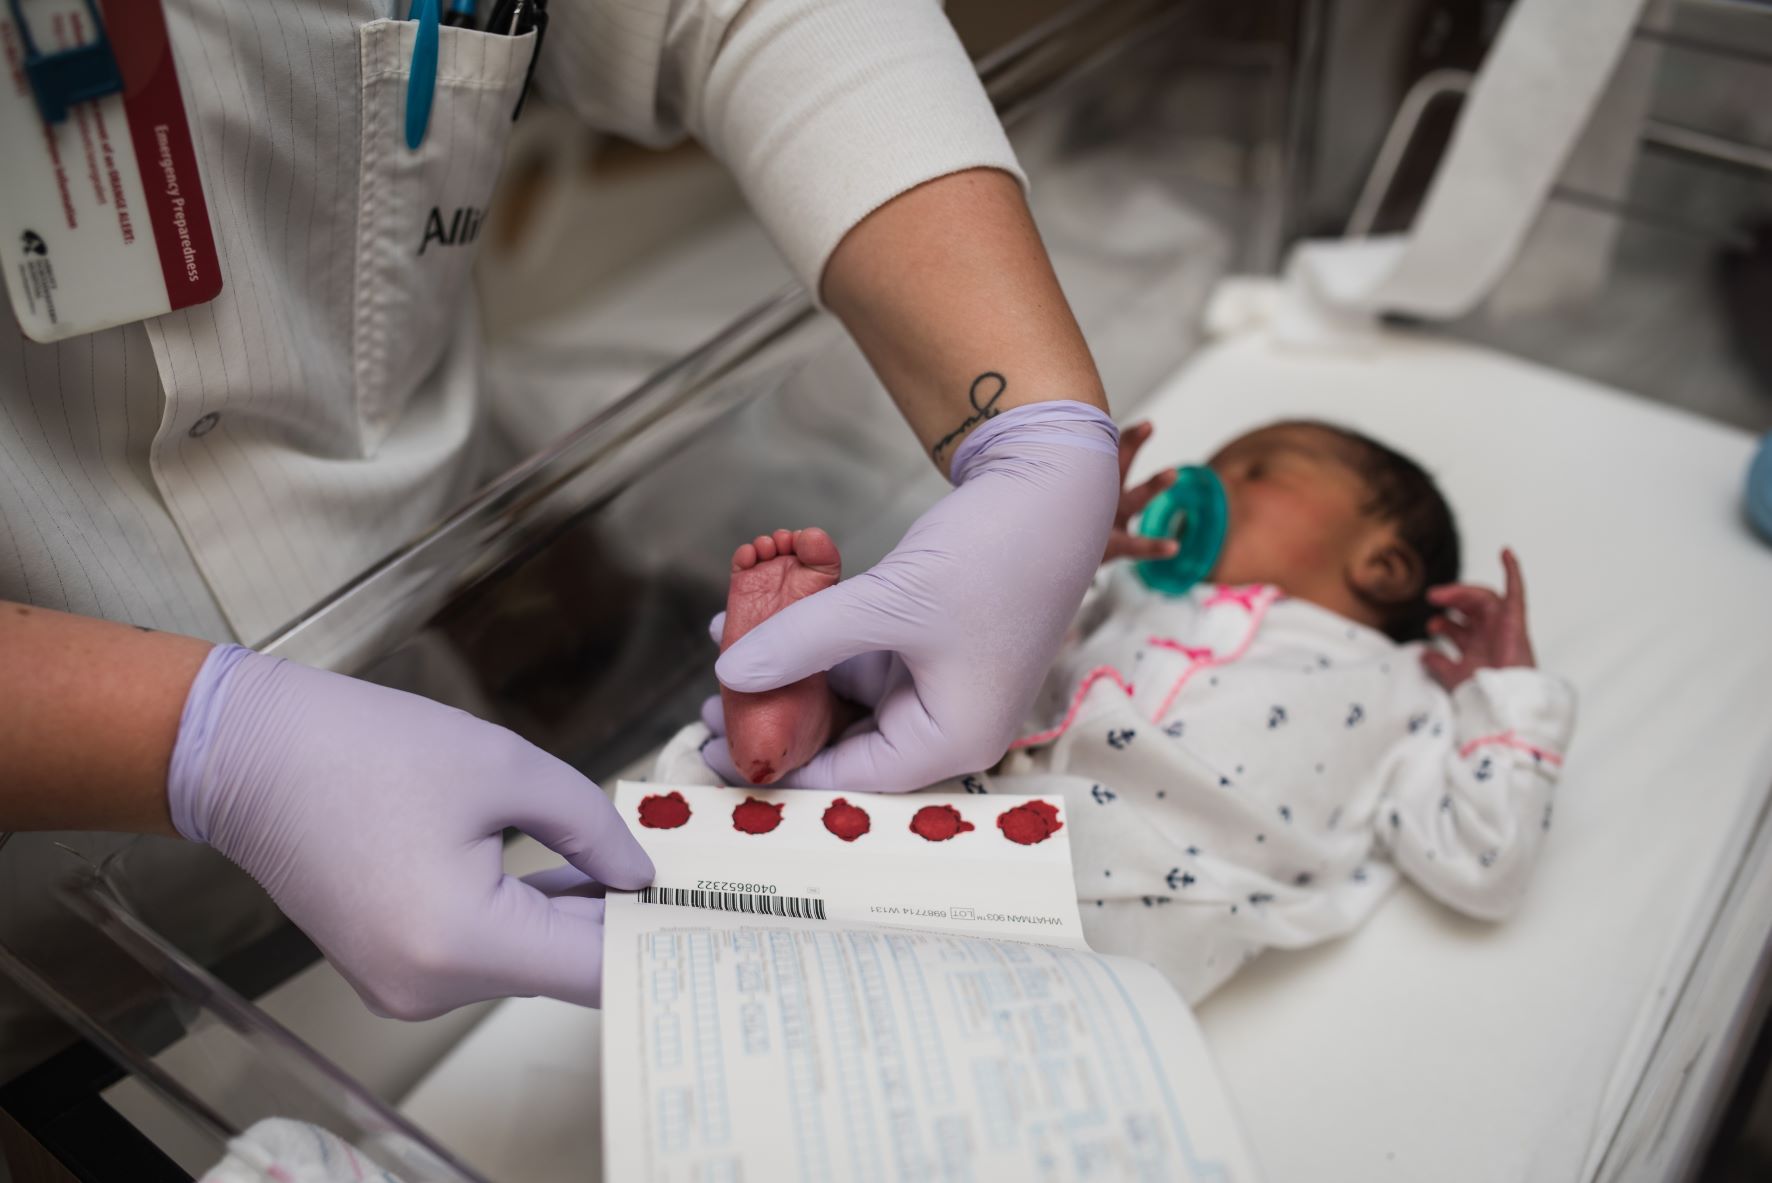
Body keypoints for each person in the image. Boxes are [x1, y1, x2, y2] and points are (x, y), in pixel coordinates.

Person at [0, 0, 1118, 1023]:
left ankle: (768, 704)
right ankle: (766, 702)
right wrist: (205, 741)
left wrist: (1034, 430)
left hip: (444, 613)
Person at [693, 420, 1577, 1001]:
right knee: (942, 670)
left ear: (1382, 565)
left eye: (1257, 470)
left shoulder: (1405, 692)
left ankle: (801, 739)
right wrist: (1067, 556)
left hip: (1144, 881)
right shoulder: (1133, 598)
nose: (1202, 482)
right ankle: (802, 702)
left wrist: (1510, 701)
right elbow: (1025, 648)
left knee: (972, 948)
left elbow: (1483, 865)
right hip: (981, 765)